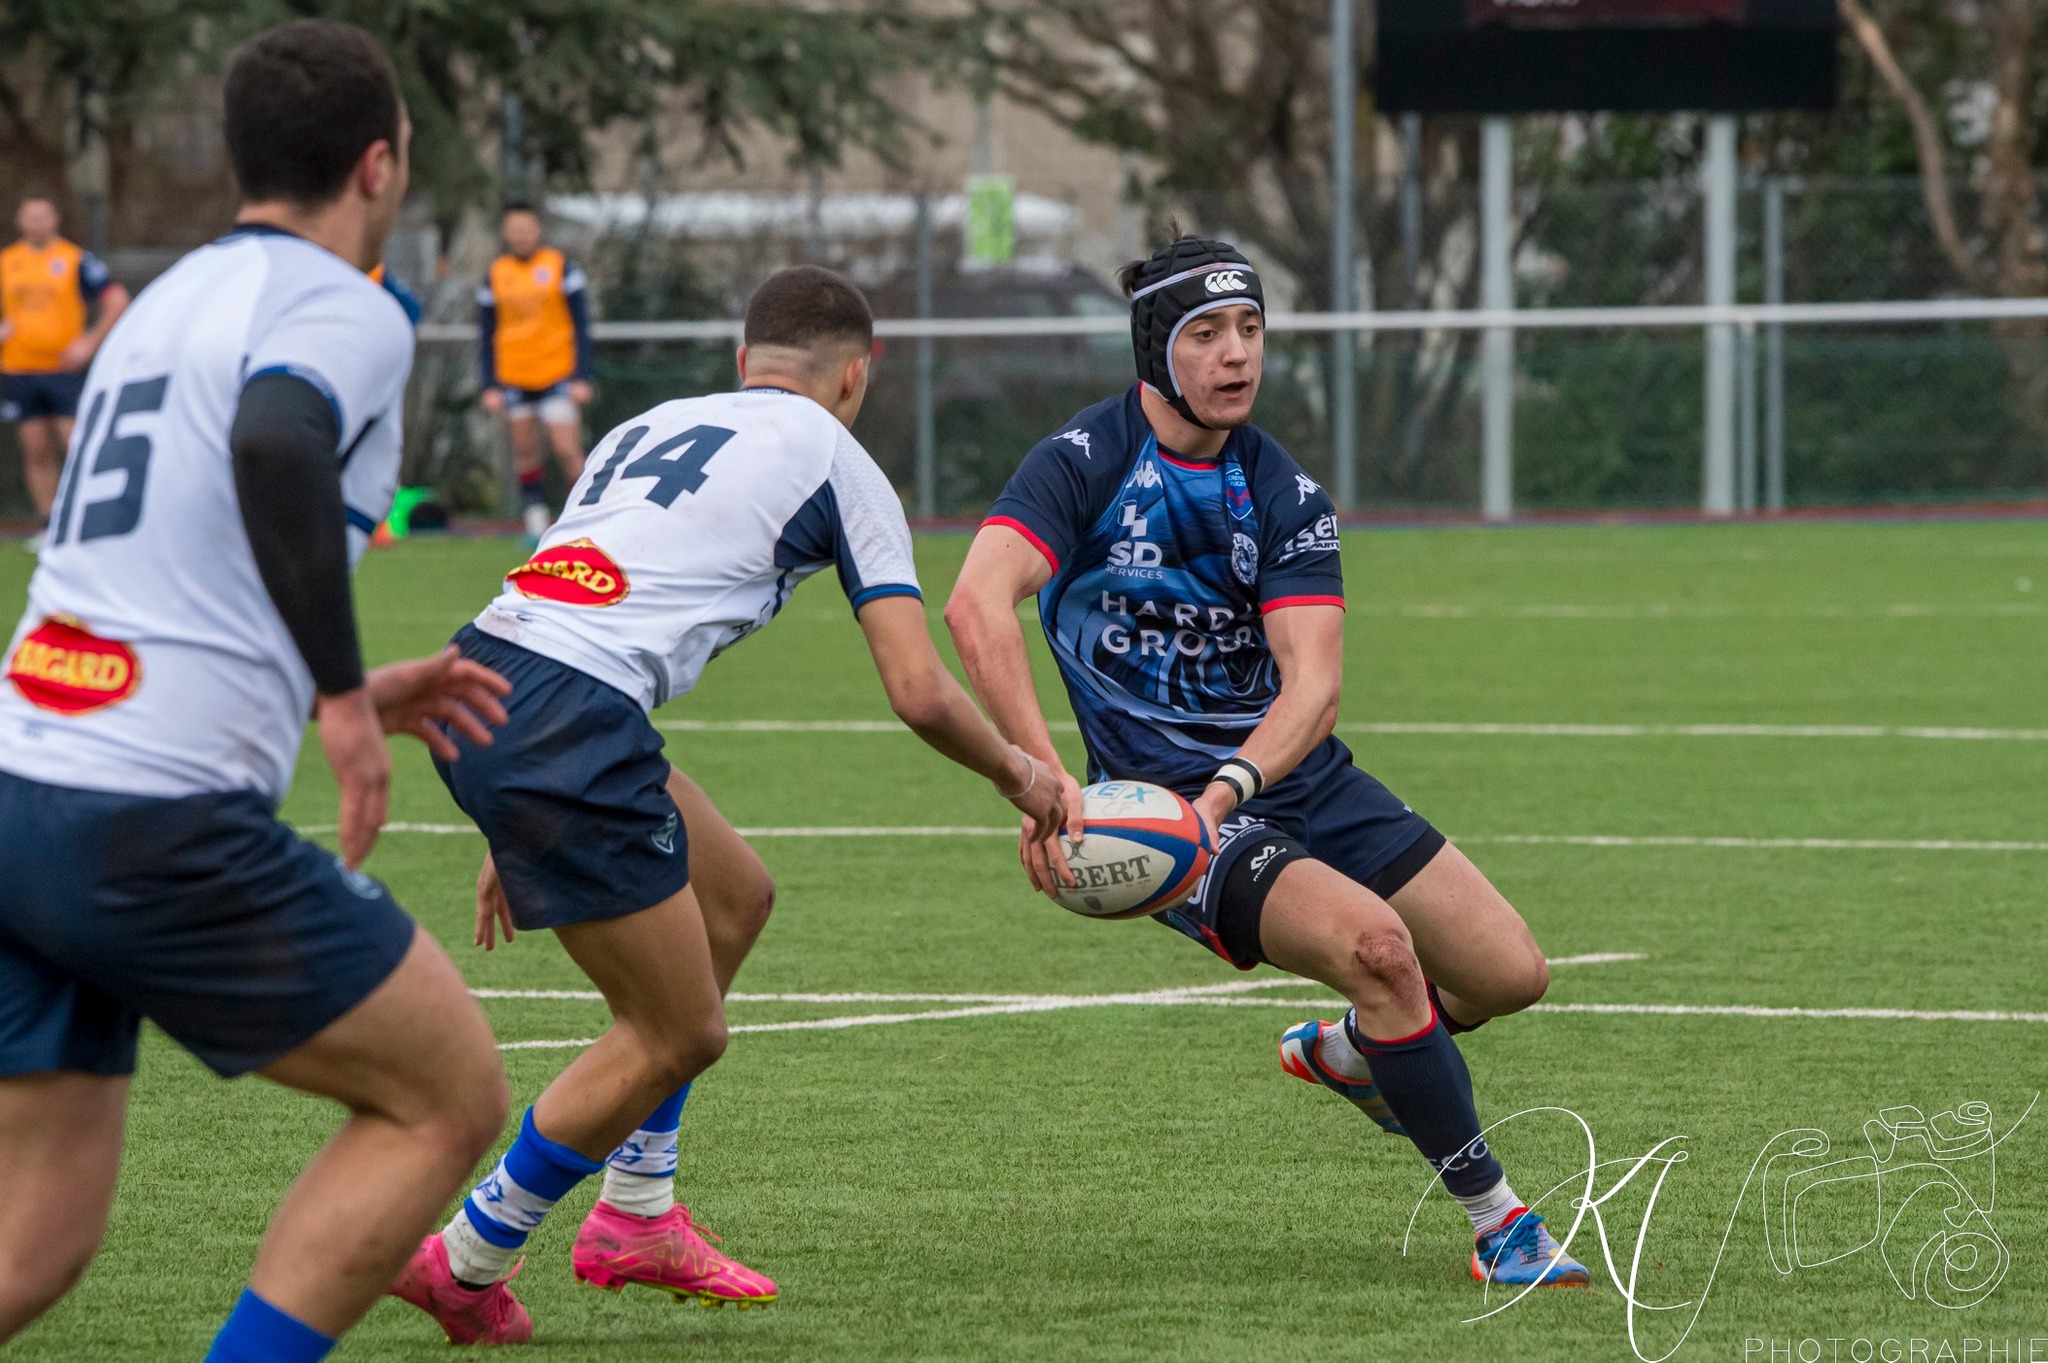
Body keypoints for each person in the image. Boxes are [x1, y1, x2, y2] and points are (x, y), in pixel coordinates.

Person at [391, 264, 1066, 1345]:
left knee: (735, 897)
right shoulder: (842, 464)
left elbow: (562, 587)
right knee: (678, 1031)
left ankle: (637, 1212)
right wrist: (1023, 775)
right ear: (857, 373)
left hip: (487, 680)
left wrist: (501, 808)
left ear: (738, 364)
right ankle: (467, 1258)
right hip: (566, 725)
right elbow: (917, 687)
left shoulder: (642, 424)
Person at [0, 21, 517, 1362]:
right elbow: (275, 437)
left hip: (26, 787)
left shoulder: (158, 306)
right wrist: (342, 701)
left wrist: (311, 683)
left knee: (34, 1233)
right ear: (379, 164)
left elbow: (161, 579)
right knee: (446, 1100)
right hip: (149, 820)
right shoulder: (346, 304)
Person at [942, 235, 1592, 1290]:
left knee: (1507, 974)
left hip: (1280, 777)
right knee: (1381, 951)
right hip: (1161, 813)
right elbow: (975, 605)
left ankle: (1346, 1051)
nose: (1235, 354)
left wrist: (1228, 788)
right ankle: (1499, 1224)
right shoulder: (1079, 462)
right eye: (1205, 333)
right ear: (1155, 348)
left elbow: (1311, 687)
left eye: (1249, 329)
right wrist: (1050, 785)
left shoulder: (1281, 489)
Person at [0, 196, 130, 553]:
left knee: (75, 443)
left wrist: (89, 343)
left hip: (63, 371)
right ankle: (48, 525)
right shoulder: (8, 261)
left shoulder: (75, 259)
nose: (37, 222)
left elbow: (117, 299)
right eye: (31, 216)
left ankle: (83, 521)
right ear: (20, 220)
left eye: (43, 215)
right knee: (35, 448)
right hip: (18, 370)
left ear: (54, 219)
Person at [476, 203, 593, 543]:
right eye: (514, 229)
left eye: (526, 228)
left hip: (557, 374)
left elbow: (581, 324)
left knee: (567, 450)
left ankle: (585, 518)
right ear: (505, 233)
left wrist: (582, 376)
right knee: (525, 450)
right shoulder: (496, 273)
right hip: (514, 376)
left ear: (538, 230)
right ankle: (535, 522)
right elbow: (486, 333)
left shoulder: (559, 267)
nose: (521, 235)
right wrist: (490, 384)